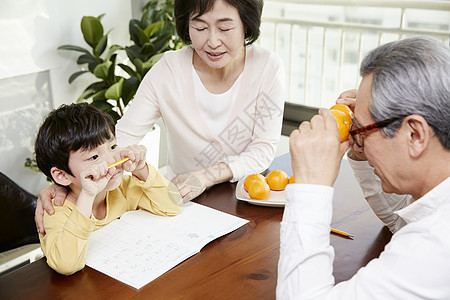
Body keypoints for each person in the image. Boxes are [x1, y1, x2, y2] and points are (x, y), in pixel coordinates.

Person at [35, 0, 285, 234]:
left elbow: (262, 150)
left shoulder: (267, 67)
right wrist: (68, 183)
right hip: (184, 204)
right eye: (199, 27)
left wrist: (205, 176)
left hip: (250, 200)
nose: (212, 41)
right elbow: (120, 139)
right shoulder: (168, 72)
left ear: (246, 24)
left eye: (225, 27)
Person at [277, 36, 450, 299]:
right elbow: (401, 222)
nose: (357, 139)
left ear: (415, 135)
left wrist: (311, 185)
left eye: (363, 130)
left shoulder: (434, 247)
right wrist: (363, 142)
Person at [35, 103, 182, 275]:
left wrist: (141, 169)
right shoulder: (57, 210)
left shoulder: (124, 187)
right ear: (62, 176)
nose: (112, 160)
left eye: (113, 147)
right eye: (94, 157)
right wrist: (88, 195)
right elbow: (66, 265)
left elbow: (173, 206)